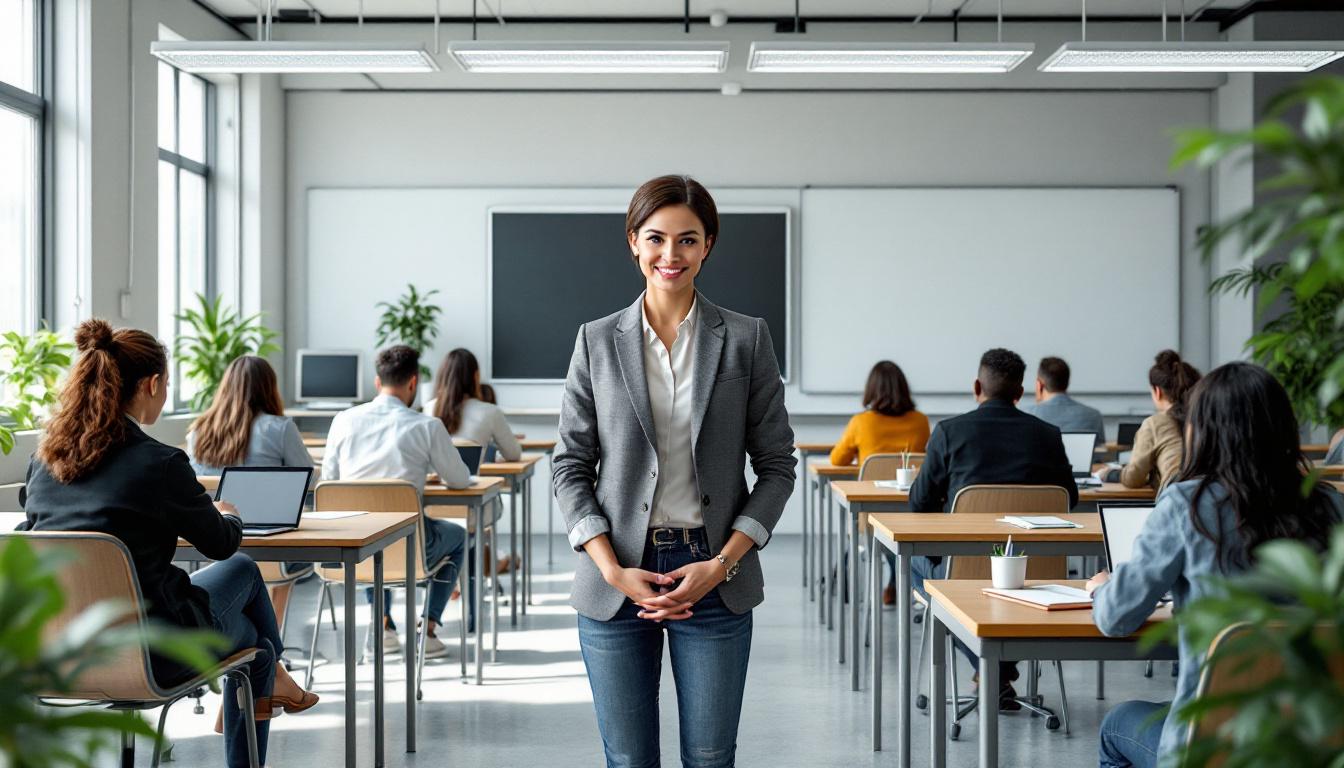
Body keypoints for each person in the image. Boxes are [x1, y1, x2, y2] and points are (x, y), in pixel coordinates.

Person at [554, 174, 796, 767]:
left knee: (711, 758)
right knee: (629, 759)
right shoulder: (595, 341)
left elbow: (776, 465)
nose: (671, 255)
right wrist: (611, 570)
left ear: (708, 245)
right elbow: (570, 464)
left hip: (714, 572)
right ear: (633, 241)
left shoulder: (745, 338)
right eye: (656, 238)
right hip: (618, 576)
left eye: (687, 240)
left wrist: (722, 565)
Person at [18, 320, 317, 768]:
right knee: (247, 583)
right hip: (153, 653)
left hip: (63, 652)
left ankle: (272, 674)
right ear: (153, 384)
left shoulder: (44, 460)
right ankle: (272, 677)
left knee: (254, 628)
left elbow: (35, 518)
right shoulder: (159, 462)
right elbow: (219, 545)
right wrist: (229, 513)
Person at [1088, 362, 1342, 768]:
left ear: (1202, 430)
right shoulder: (1331, 505)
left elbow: (1115, 618)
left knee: (1115, 725)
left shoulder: (1186, 505)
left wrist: (1100, 588)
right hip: (1316, 741)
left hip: (1209, 747)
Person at [908, 347, 1077, 708]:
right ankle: (1000, 670)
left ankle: (987, 668)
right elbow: (1069, 499)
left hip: (963, 571)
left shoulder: (949, 432)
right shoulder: (1048, 434)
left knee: (915, 565)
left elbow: (918, 504)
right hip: (1035, 571)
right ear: (1019, 393)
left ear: (976, 386)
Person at [322, 344, 470, 659]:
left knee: (367, 527)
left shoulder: (343, 421)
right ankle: (427, 630)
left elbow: (329, 483)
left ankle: (383, 625)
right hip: (409, 548)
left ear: (378, 382)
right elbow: (459, 480)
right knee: (457, 535)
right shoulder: (427, 426)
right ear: (413, 383)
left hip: (354, 547)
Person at [187, 356, 315, 624]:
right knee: (293, 560)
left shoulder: (199, 431)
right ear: (269, 388)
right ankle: (272, 639)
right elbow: (308, 481)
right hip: (272, 547)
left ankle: (253, 642)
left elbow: (196, 487)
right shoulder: (280, 428)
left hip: (215, 545)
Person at [829, 360, 930, 605]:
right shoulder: (920, 421)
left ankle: (895, 582)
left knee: (881, 532)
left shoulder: (862, 422)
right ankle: (898, 583)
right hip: (912, 512)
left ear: (871, 389)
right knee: (898, 536)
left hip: (871, 515)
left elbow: (837, 459)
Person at [1106, 350, 1200, 491]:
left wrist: (1110, 474)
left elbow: (1133, 478)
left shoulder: (1156, 423)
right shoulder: (1207, 419)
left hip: (1178, 503)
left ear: (1157, 391)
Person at [426, 348, 523, 462]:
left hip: (434, 479)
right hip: (471, 479)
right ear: (475, 376)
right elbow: (513, 454)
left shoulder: (429, 408)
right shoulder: (490, 412)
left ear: (443, 376)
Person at [1024, 356, 1105, 449]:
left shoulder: (1027, 414)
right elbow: (1100, 454)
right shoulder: (1094, 415)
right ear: (1068, 382)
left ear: (1039, 384)